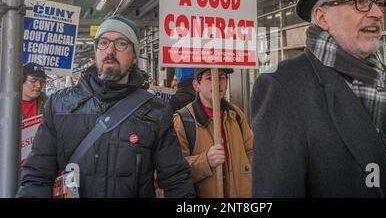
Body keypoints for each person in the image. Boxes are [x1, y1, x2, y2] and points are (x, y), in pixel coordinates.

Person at [251, 0, 386, 197]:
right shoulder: (283, 86)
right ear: (323, 18)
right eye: (360, 2)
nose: (377, 13)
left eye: (380, 3)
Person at [17, 15, 195, 198]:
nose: (110, 50)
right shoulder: (59, 105)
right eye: (103, 42)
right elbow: (37, 177)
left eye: (121, 43)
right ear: (96, 51)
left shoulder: (156, 112)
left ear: (134, 56)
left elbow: (176, 180)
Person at [173, 68, 253, 198]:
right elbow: (175, 170)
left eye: (222, 77)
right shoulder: (183, 120)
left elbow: (251, 150)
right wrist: (206, 160)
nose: (217, 83)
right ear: (196, 85)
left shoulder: (236, 114)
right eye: (210, 78)